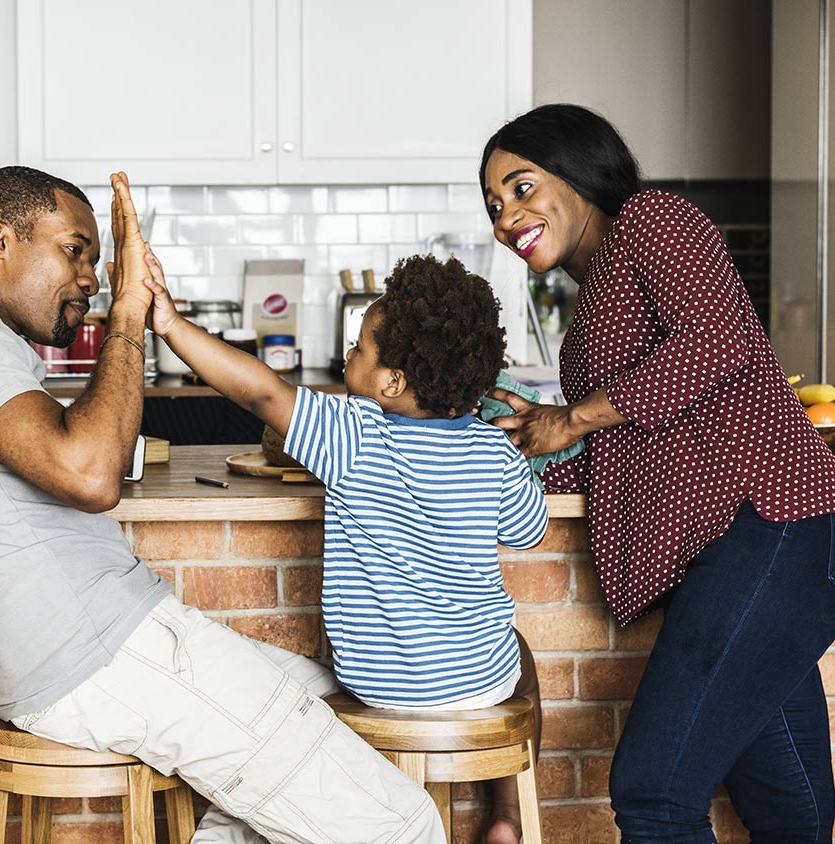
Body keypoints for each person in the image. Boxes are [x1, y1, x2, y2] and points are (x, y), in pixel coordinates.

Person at [0, 165, 445, 844]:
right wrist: (131, 310)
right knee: (407, 825)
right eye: (74, 250)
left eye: (99, 262)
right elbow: (92, 475)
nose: (91, 279)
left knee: (323, 693)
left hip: (75, 656)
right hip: (103, 651)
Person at [479, 103, 835, 841]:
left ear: (579, 168)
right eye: (494, 206)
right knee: (788, 810)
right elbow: (635, 450)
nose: (506, 217)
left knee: (653, 792)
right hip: (743, 556)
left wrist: (575, 417)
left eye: (521, 188)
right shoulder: (589, 311)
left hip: (774, 526)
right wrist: (519, 446)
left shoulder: (652, 218)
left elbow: (718, 341)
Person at [142, 250, 548, 844]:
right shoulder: (495, 453)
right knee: (519, 651)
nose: (348, 355)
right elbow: (529, 530)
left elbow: (260, 393)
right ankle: (507, 813)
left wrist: (172, 325)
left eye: (358, 348)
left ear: (392, 382)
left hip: (378, 688)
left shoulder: (353, 434)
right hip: (478, 688)